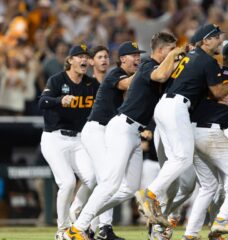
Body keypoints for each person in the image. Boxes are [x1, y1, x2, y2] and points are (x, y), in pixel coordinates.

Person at [66, 33, 183, 240]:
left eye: (139, 54)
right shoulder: (143, 68)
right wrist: (176, 55)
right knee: (108, 182)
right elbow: (149, 78)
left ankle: (85, 215)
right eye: (133, 55)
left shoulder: (149, 69)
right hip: (113, 128)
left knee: (129, 188)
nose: (137, 58)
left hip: (132, 131)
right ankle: (77, 229)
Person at [135, 24, 228, 229]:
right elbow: (217, 93)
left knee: (177, 162)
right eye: (215, 37)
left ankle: (158, 209)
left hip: (164, 106)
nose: (219, 41)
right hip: (177, 107)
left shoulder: (189, 57)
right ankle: (150, 194)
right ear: (205, 41)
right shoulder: (207, 60)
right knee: (182, 158)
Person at [182, 41, 228, 240]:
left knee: (208, 186)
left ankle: (190, 234)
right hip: (210, 133)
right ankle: (222, 219)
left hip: (190, 132)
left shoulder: (212, 75)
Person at [38, 44, 98, 240]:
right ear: (70, 60)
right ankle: (62, 229)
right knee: (67, 182)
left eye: (86, 57)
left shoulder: (91, 84)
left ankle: (75, 211)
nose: (83, 60)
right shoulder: (57, 80)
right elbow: (42, 102)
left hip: (79, 139)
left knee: (93, 178)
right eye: (79, 56)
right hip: (54, 138)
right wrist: (59, 100)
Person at [68, 45, 126, 240]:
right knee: (100, 178)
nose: (104, 60)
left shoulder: (114, 80)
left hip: (108, 133)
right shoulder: (88, 84)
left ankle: (93, 224)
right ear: (91, 62)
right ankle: (94, 224)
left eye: (106, 57)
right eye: (99, 57)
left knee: (99, 179)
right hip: (88, 135)